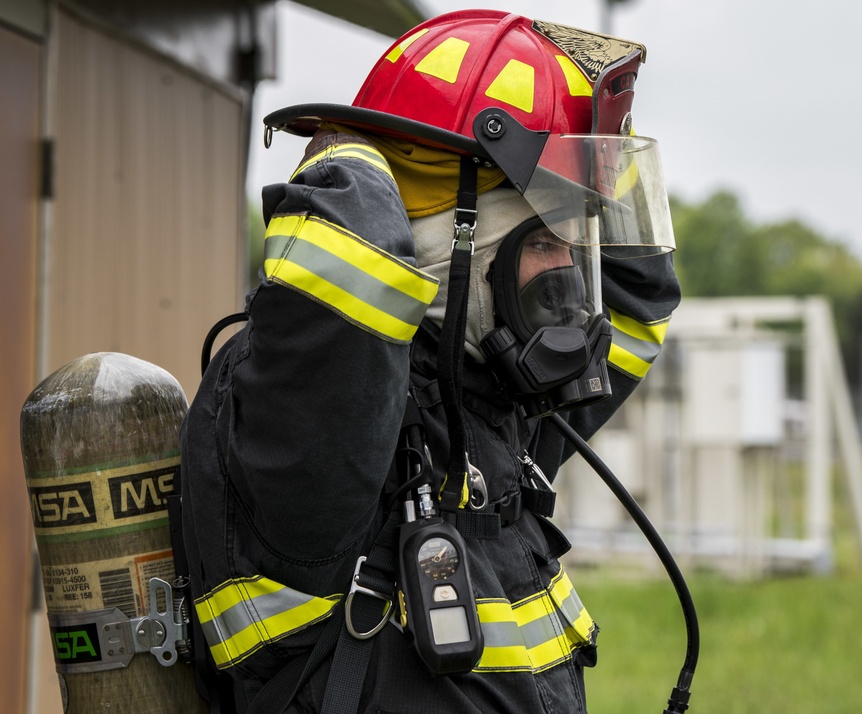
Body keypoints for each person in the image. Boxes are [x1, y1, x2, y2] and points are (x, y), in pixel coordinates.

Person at [179, 9, 681, 713]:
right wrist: (355, 156)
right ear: (450, 247)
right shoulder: (304, 415)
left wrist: (593, 150)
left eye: (575, 244)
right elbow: (341, 332)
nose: (567, 271)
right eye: (542, 242)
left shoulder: (496, 405)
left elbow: (640, 299)